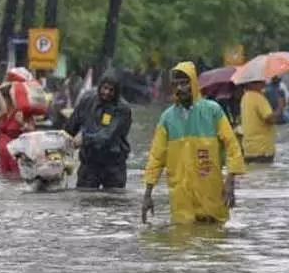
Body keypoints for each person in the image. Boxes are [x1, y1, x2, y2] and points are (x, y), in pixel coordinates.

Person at [142, 62, 246, 225]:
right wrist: (148, 193)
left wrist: (230, 182)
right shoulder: (167, 118)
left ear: (194, 83)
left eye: (185, 82)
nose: (181, 88)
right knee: (183, 238)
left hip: (210, 189)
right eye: (177, 83)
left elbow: (232, 146)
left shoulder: (213, 111)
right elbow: (156, 156)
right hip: (181, 195)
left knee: (215, 234)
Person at [64, 70, 132, 190]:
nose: (106, 93)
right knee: (84, 199)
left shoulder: (123, 109)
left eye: (111, 90)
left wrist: (84, 139)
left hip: (113, 166)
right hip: (89, 163)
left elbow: (106, 137)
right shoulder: (87, 100)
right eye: (104, 88)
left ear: (117, 92)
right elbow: (70, 126)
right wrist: (60, 143)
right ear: (100, 86)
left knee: (114, 203)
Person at [240, 80, 282, 164]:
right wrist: (280, 107)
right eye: (260, 81)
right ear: (252, 84)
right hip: (263, 148)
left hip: (249, 148)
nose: (264, 83)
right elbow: (270, 119)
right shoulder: (258, 97)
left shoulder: (245, 97)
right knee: (265, 173)